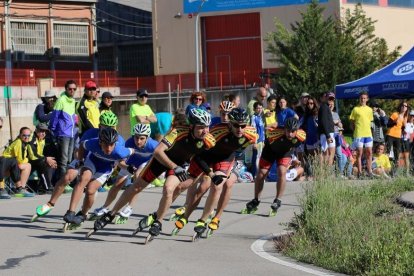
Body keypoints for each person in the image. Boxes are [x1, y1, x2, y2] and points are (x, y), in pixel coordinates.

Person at [90, 109, 215, 237]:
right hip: (162, 160)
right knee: (136, 187)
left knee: (168, 189)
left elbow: (202, 159)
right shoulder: (177, 132)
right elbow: (158, 151)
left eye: (207, 127)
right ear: (191, 126)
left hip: (180, 164)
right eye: (201, 127)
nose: (205, 131)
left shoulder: (208, 139)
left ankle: (158, 222)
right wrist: (173, 166)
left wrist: (211, 174)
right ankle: (111, 214)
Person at [175, 108, 257, 238]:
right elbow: (198, 154)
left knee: (218, 186)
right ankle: (185, 215)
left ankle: (207, 219)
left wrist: (234, 165)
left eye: (243, 126)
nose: (240, 129)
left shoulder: (251, 133)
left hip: (225, 158)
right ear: (230, 124)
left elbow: (247, 146)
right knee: (197, 187)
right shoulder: (216, 132)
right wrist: (208, 171)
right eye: (236, 125)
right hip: (205, 157)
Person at [31, 112, 122, 222]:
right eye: (105, 127)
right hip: (86, 158)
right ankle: (51, 204)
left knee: (90, 190)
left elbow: (121, 159)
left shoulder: (119, 140)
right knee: (68, 176)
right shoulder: (90, 134)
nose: (108, 129)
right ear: (99, 126)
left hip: (105, 165)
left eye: (111, 127)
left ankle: (84, 212)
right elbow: (78, 151)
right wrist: (79, 160)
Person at [62, 128, 134, 228]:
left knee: (91, 190)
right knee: (83, 178)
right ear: (100, 142)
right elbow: (82, 145)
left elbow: (129, 154)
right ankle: (71, 211)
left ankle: (83, 214)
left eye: (111, 145)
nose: (108, 148)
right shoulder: (93, 143)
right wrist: (80, 159)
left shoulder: (120, 151)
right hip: (92, 161)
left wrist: (128, 167)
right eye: (105, 144)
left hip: (105, 168)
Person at [91, 123, 159, 224]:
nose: (138, 141)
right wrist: (127, 167)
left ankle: (129, 208)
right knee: (117, 185)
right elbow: (120, 161)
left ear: (147, 138)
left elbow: (154, 160)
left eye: (141, 138)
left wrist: (141, 170)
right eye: (136, 138)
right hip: (130, 162)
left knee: (137, 179)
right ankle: (105, 207)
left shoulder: (154, 145)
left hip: (145, 163)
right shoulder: (128, 143)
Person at [241, 118, 306, 216]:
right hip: (270, 150)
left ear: (297, 130)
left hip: (285, 152)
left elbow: (295, 147)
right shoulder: (273, 133)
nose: (290, 134)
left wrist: (294, 158)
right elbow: (266, 131)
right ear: (284, 129)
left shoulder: (301, 136)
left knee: (282, 171)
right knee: (261, 174)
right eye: (288, 131)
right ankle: (256, 200)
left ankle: (277, 200)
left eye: (293, 131)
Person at [49, 80, 77, 181]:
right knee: (63, 160)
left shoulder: (73, 101)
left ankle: (68, 180)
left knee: (70, 159)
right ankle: (62, 182)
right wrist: (52, 130)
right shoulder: (61, 100)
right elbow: (55, 116)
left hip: (71, 133)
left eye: (74, 89)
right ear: (66, 89)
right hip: (62, 133)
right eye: (70, 89)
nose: (72, 91)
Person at [1, 127, 35, 197]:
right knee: (27, 165)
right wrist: (26, 160)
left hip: (12, 165)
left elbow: (29, 157)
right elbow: (20, 159)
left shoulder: (25, 143)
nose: (26, 137)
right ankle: (20, 188)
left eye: (28, 135)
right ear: (20, 135)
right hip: (6, 165)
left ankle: (20, 188)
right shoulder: (18, 143)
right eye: (24, 135)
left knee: (27, 164)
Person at [27, 123, 57, 193]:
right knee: (43, 162)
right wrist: (46, 158)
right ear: (36, 130)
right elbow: (32, 155)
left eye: (45, 132)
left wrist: (50, 160)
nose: (43, 133)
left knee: (50, 162)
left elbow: (39, 155)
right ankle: (47, 187)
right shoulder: (32, 138)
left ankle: (45, 186)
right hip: (27, 161)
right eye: (41, 131)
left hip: (35, 161)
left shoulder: (42, 139)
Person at [349, 91, 374, 178]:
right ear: (359, 99)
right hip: (359, 134)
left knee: (369, 152)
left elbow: (370, 122)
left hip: (368, 134)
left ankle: (369, 171)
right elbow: (351, 122)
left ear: (367, 99)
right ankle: (360, 172)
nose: (363, 100)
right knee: (359, 153)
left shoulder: (370, 110)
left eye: (364, 98)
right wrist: (354, 131)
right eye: (361, 98)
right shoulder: (355, 109)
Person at [386, 101, 408, 174]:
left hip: (398, 137)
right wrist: (395, 122)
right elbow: (388, 124)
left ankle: (394, 171)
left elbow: (402, 128)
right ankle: (386, 168)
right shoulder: (395, 114)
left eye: (405, 106)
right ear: (400, 106)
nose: (404, 107)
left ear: (406, 108)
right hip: (390, 135)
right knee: (388, 152)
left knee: (397, 154)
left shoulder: (405, 117)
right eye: (403, 105)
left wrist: (404, 129)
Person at [318, 92, 336, 166]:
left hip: (326, 133)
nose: (330, 100)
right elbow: (324, 122)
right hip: (327, 133)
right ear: (326, 98)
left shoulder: (325, 107)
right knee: (329, 153)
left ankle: (325, 172)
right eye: (329, 98)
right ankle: (326, 172)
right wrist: (328, 136)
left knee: (327, 153)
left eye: (332, 99)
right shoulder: (324, 107)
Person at [250, 102, 265, 177]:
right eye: (258, 108)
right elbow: (253, 130)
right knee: (256, 158)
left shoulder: (260, 117)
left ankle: (258, 174)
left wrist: (263, 141)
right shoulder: (254, 117)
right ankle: (256, 175)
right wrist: (254, 142)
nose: (259, 110)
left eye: (261, 108)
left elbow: (262, 130)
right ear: (254, 109)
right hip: (257, 142)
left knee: (259, 157)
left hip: (261, 142)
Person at [401, 110, 414, 174]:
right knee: (404, 156)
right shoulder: (406, 123)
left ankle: (408, 171)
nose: (412, 117)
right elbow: (405, 132)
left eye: (413, 116)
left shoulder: (412, 125)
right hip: (404, 141)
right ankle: (405, 171)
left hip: (409, 142)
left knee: (408, 157)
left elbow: (409, 134)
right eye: (411, 116)